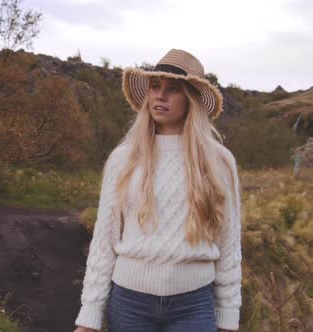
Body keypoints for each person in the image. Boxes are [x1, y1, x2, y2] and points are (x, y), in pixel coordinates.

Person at [73, 49, 242, 332]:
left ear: (191, 100)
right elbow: (104, 240)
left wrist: (228, 314)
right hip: (129, 305)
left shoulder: (219, 161)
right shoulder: (123, 158)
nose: (160, 96)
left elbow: (229, 242)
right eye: (155, 87)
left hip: (194, 305)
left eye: (173, 89)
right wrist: (89, 314)